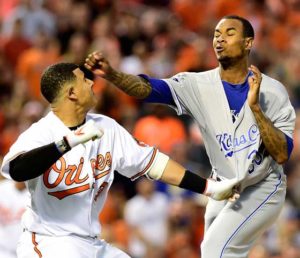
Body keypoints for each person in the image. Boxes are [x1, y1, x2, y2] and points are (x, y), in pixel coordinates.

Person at [84, 15, 296, 257]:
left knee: (216, 250)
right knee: (212, 252)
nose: (220, 39)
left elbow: (281, 154)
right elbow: (147, 89)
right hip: (223, 185)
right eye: (216, 34)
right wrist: (112, 74)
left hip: (263, 184)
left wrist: (256, 109)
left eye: (229, 33)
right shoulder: (197, 84)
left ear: (248, 43)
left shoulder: (272, 91)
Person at [0, 62, 238, 258]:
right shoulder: (42, 133)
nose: (92, 82)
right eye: (84, 80)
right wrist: (67, 142)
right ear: (71, 93)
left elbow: (154, 164)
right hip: (51, 242)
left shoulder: (106, 127)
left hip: (91, 243)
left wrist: (208, 187)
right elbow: (17, 169)